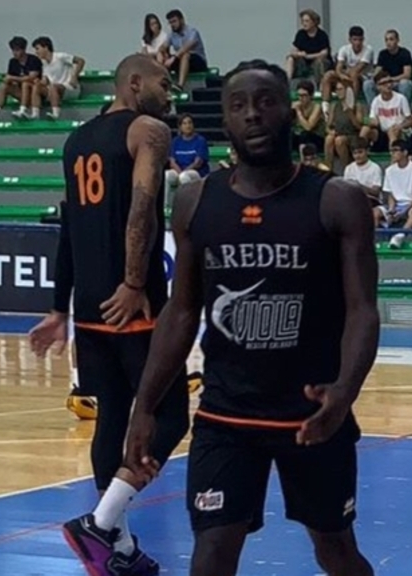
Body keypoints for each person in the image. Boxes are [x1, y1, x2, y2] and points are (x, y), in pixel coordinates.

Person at [97, 59, 379, 576]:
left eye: (266, 101)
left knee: (336, 551)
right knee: (211, 556)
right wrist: (145, 407)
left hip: (312, 414)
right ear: (224, 120)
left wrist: (345, 391)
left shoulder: (337, 200)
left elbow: (363, 310)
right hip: (226, 417)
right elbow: (181, 312)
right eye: (238, 105)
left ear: (290, 110)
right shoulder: (196, 201)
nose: (253, 114)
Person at [28, 54, 190, 576]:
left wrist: (59, 306)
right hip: (131, 301)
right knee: (170, 416)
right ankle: (100, 523)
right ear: (134, 84)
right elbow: (143, 209)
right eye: (163, 82)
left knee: (113, 417)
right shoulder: (149, 131)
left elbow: (69, 226)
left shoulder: (76, 140)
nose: (170, 91)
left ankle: (118, 547)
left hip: (90, 307)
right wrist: (135, 282)